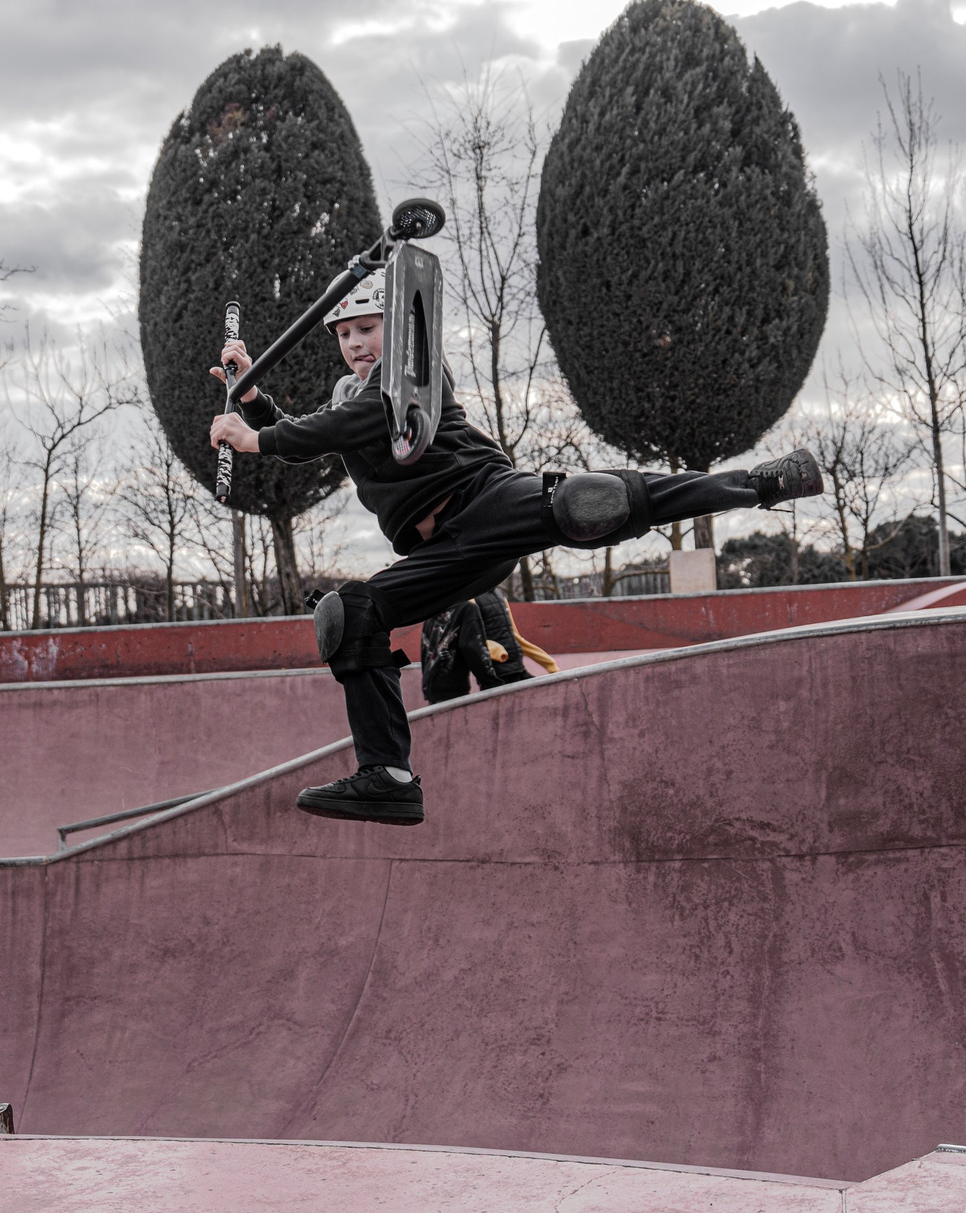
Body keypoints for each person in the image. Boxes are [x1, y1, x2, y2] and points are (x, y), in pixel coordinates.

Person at [211, 275, 819, 825]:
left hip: (485, 502)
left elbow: (339, 427)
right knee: (351, 616)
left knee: (587, 502)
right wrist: (255, 397)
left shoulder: (414, 374)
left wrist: (256, 437)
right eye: (345, 335)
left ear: (393, 331)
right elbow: (320, 432)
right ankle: (388, 776)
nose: (356, 344)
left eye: (368, 329)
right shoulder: (350, 397)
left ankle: (760, 483)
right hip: (442, 552)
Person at [420, 588, 557, 705]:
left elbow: (515, 637)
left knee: (547, 699)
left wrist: (550, 664)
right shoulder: (470, 600)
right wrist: (497, 652)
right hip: (498, 672)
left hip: (517, 669)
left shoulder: (498, 594)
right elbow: (473, 640)